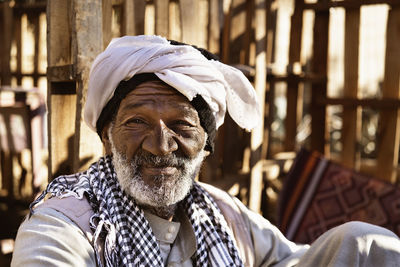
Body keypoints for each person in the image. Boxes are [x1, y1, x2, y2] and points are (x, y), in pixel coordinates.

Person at [11, 35, 400, 267]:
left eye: (182, 126)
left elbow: (289, 260)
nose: (160, 146)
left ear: (205, 146)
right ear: (106, 136)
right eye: (137, 122)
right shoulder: (68, 223)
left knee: (362, 243)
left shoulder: (221, 212)